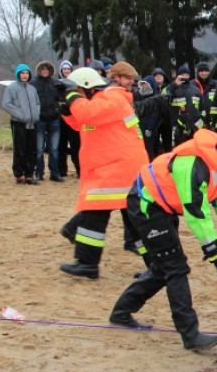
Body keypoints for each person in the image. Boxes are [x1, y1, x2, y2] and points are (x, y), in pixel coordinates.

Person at [108, 130, 217, 350]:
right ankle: (190, 335)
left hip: (165, 206)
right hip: (146, 204)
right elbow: (197, 214)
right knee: (175, 267)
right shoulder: (194, 165)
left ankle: (121, 312)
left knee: (164, 267)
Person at [58, 63, 151, 279]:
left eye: (78, 91)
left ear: (87, 88)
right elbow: (82, 123)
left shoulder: (109, 98)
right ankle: (157, 266)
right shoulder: (104, 100)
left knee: (101, 215)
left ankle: (87, 263)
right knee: (131, 220)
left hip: (118, 169)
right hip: (117, 168)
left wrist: (72, 97)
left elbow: (88, 114)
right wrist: (66, 109)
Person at [2, 64, 41, 184]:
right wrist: (20, 115)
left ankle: (29, 174)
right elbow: (6, 104)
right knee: (20, 149)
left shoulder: (32, 89)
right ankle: (19, 174)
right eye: (22, 73)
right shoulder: (11, 88)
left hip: (32, 122)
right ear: (18, 74)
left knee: (32, 149)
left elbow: (38, 103)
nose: (25, 75)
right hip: (19, 123)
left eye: (27, 73)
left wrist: (36, 114)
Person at [30, 60, 64, 182]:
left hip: (54, 119)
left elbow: (62, 98)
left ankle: (55, 173)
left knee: (54, 148)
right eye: (42, 69)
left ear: (49, 70)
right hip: (39, 120)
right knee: (39, 149)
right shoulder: (33, 84)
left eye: (47, 69)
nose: (45, 71)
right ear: (39, 70)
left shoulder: (56, 83)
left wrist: (58, 109)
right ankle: (39, 172)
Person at [169, 64, 207, 146]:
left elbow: (202, 109)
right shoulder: (173, 89)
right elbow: (166, 103)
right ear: (178, 76)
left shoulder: (196, 90)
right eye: (182, 75)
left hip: (195, 128)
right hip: (179, 129)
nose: (185, 77)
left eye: (186, 75)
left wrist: (199, 124)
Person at [56, 60, 81, 178]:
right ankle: (62, 170)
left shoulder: (76, 84)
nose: (66, 71)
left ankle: (79, 169)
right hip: (61, 117)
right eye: (64, 69)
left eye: (68, 69)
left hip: (74, 116)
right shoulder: (56, 83)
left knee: (76, 145)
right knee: (61, 145)